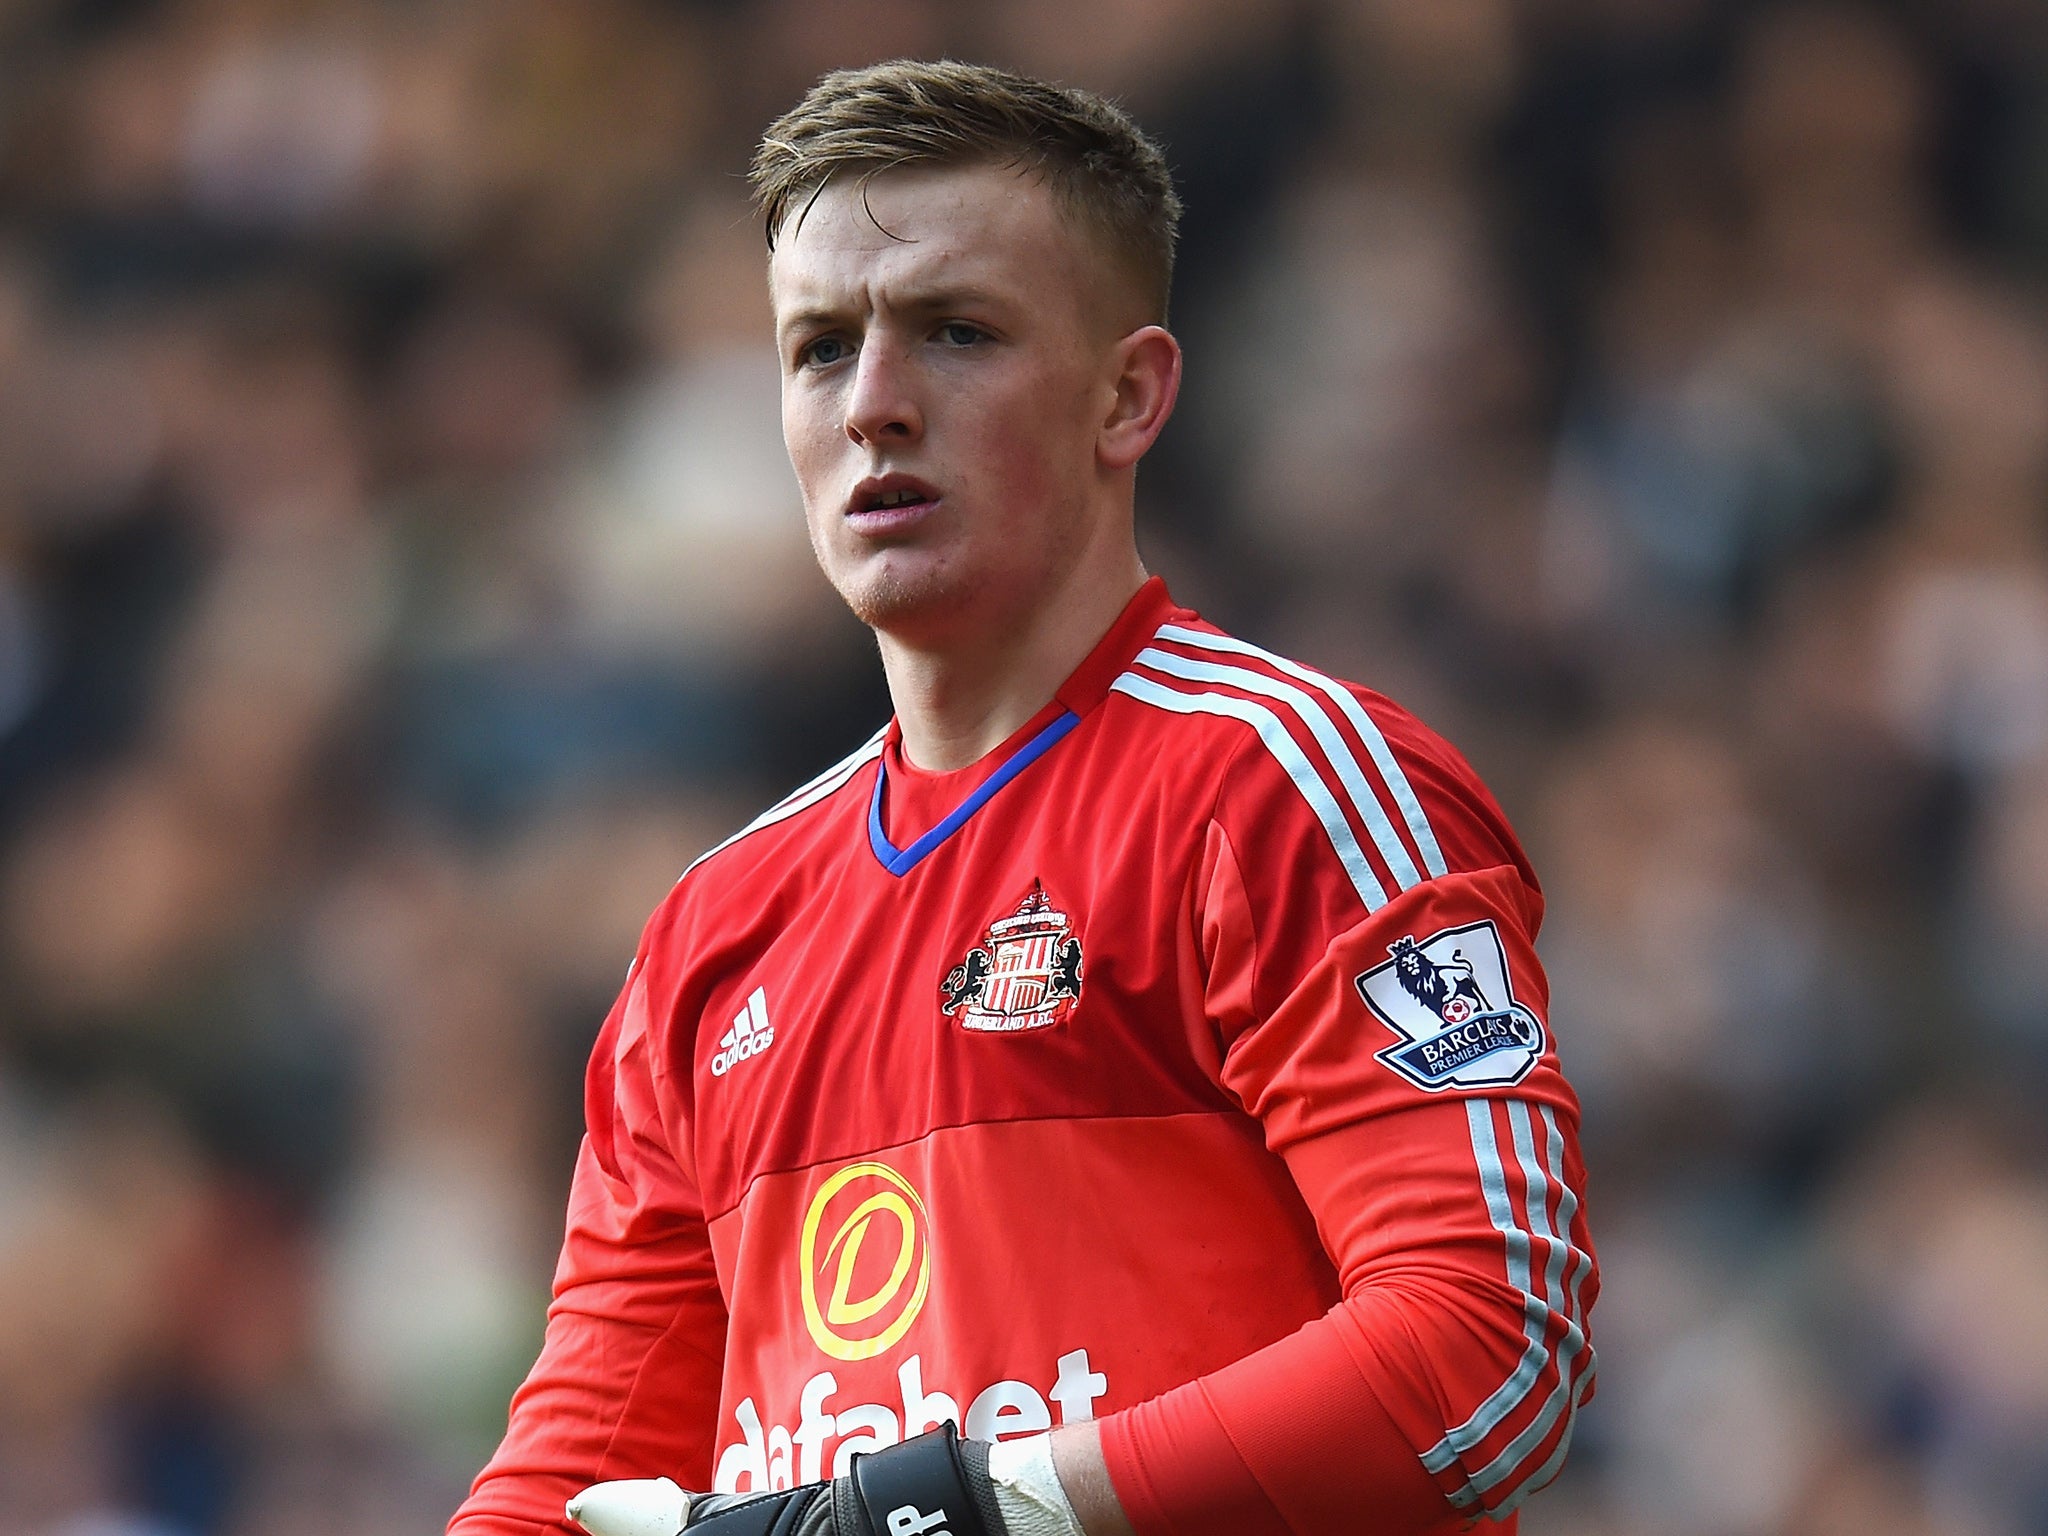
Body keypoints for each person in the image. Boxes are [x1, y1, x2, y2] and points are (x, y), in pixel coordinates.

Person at [449, 59, 1597, 1536]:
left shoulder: (1284, 786)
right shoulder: (711, 932)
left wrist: (977, 1510)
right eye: (817, 350)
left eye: (957, 333)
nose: (873, 407)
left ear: (1129, 395)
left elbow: (1490, 1356)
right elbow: (561, 1492)